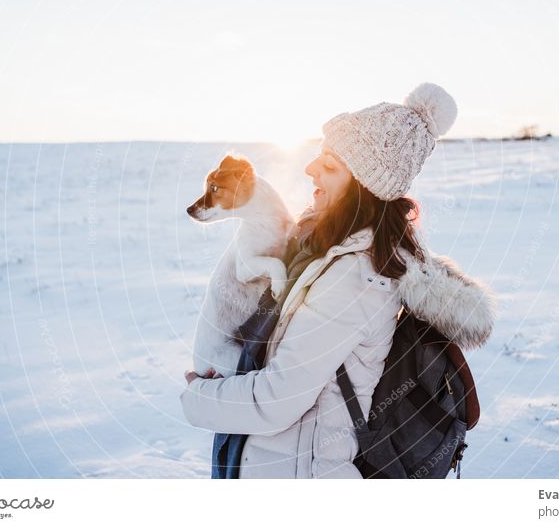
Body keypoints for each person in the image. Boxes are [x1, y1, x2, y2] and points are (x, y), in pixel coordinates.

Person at [181, 82, 496, 478]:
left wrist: (199, 395)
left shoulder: (355, 275)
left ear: (363, 189)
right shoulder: (327, 252)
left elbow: (279, 398)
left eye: (329, 165)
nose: (310, 169)